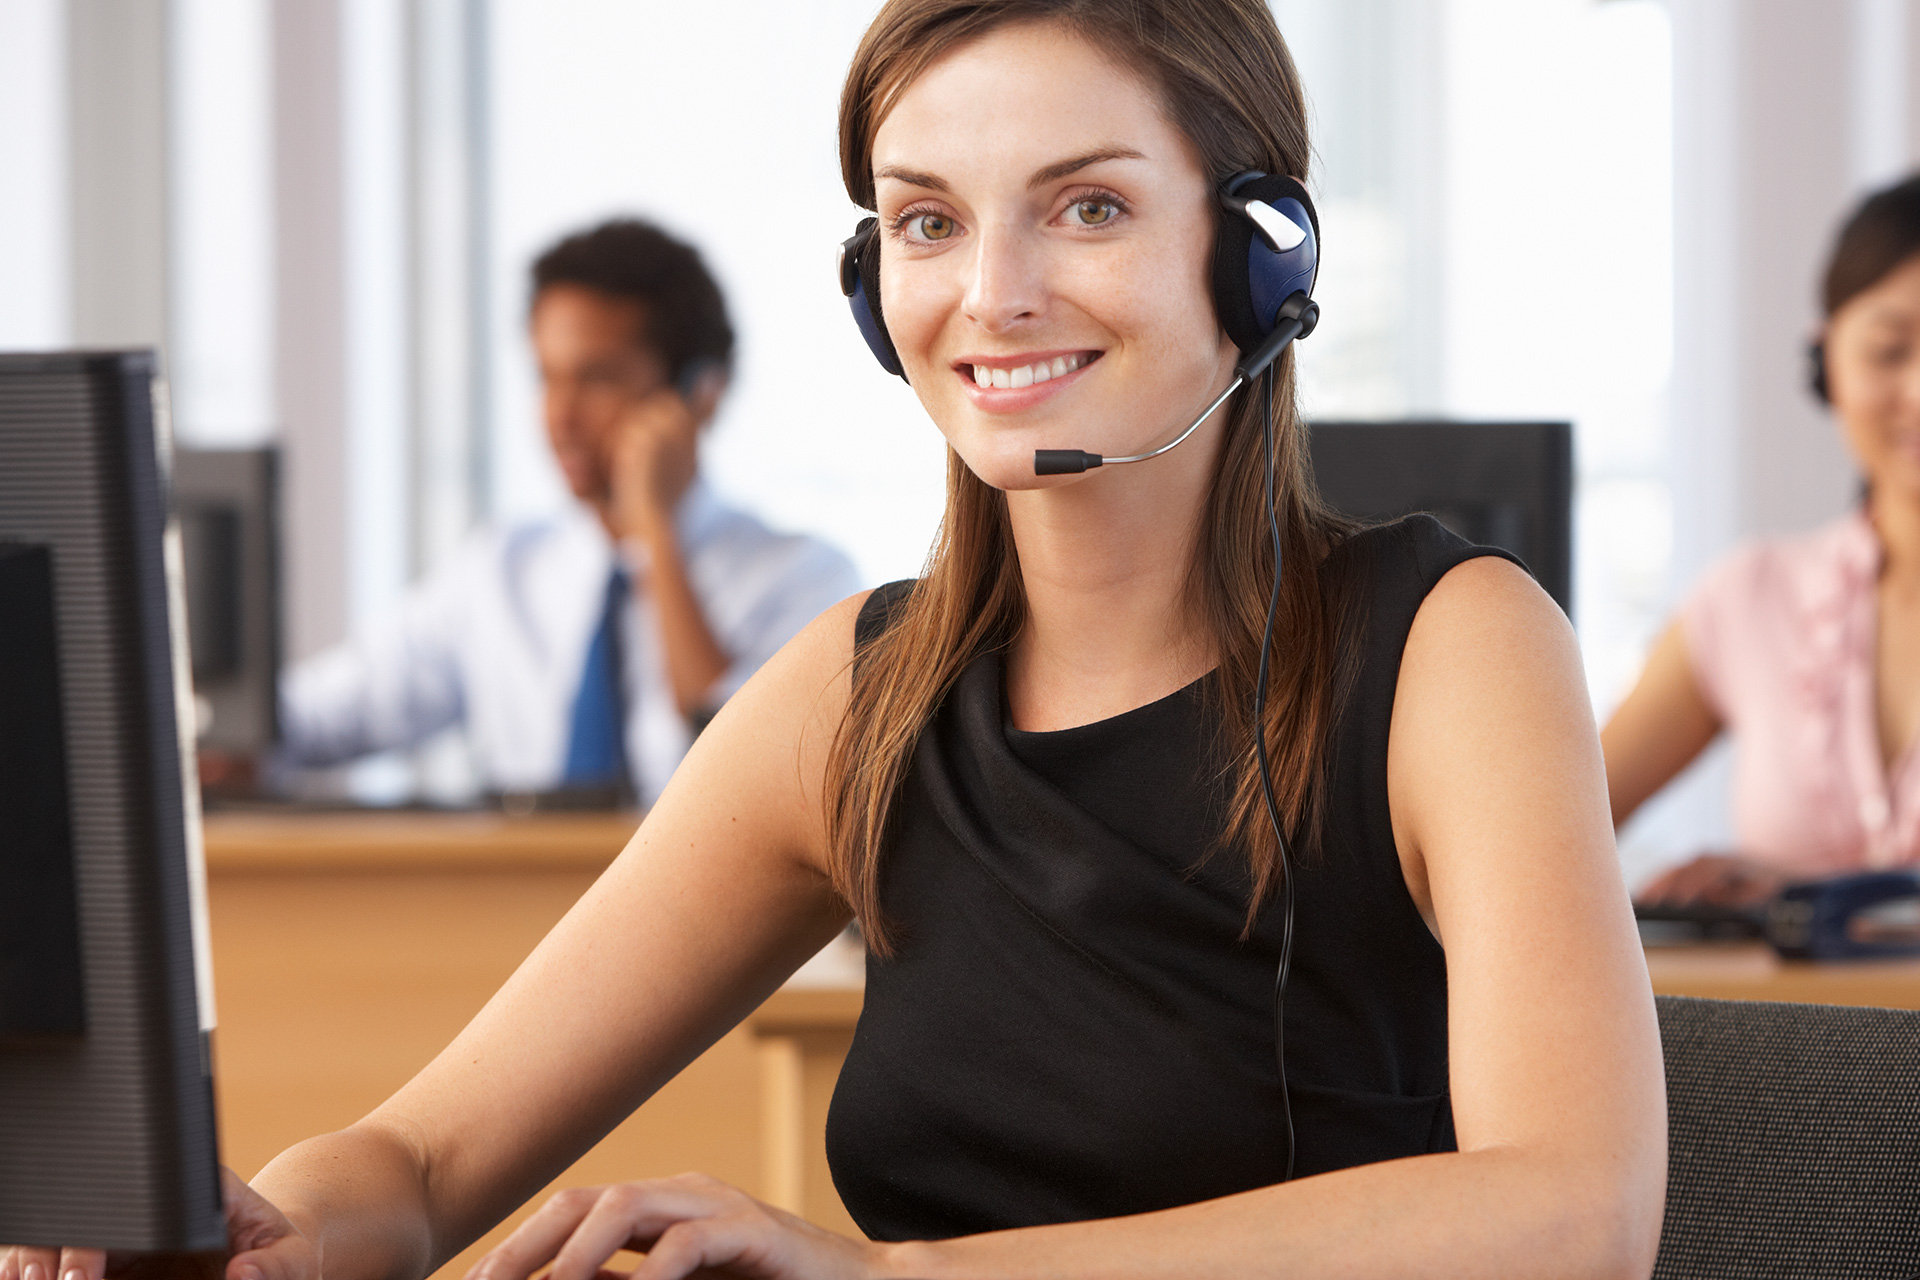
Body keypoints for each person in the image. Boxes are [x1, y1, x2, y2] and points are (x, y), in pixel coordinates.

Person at [8, 2, 1663, 1277]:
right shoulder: (861, 698)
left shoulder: (1448, 646)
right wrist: (258, 1231)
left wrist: (899, 1272)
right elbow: (427, 1163)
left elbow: (1575, 1215)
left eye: (1083, 208)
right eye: (929, 223)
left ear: (1255, 254)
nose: (992, 295)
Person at [273, 219, 860, 806]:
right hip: (529, 898)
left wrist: (653, 532)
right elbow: (314, 719)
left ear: (698, 394)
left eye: (596, 379)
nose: (559, 416)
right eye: (546, 377)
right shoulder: (500, 569)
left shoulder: (804, 579)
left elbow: (757, 763)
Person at [1607, 175, 1920, 908]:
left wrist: (1816, 899)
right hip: (1793, 1029)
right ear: (1827, 361)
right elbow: (1553, 822)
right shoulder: (1752, 596)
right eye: (1889, 350)